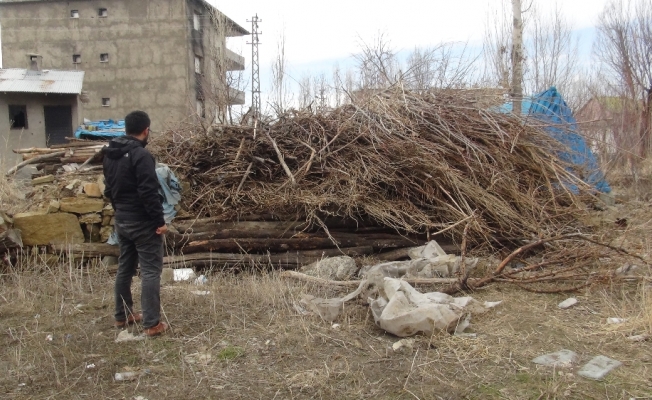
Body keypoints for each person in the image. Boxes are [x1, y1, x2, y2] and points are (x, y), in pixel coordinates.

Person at [102, 110, 169, 337]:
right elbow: (148, 192)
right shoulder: (141, 155)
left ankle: (122, 315)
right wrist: (159, 221)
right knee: (150, 272)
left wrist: (120, 211)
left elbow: (109, 190)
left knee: (125, 268)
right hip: (142, 223)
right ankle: (152, 324)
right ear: (146, 130)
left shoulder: (110, 154)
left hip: (122, 220)